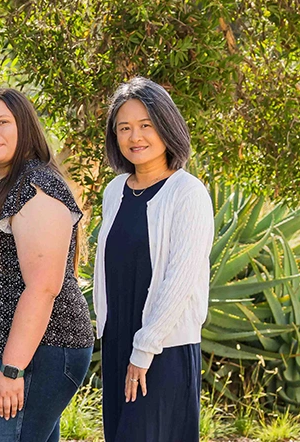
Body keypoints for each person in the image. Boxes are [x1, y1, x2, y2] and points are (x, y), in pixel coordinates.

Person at [0, 89, 96, 442]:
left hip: (38, 350)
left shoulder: (36, 186)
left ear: (26, 127)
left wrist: (12, 369)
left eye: (3, 123)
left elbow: (44, 286)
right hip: (5, 349)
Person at [93, 77, 210, 442]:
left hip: (164, 349)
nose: (135, 137)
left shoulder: (187, 193)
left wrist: (144, 350)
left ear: (167, 126)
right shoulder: (115, 191)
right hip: (118, 343)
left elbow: (180, 281)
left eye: (146, 125)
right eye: (124, 128)